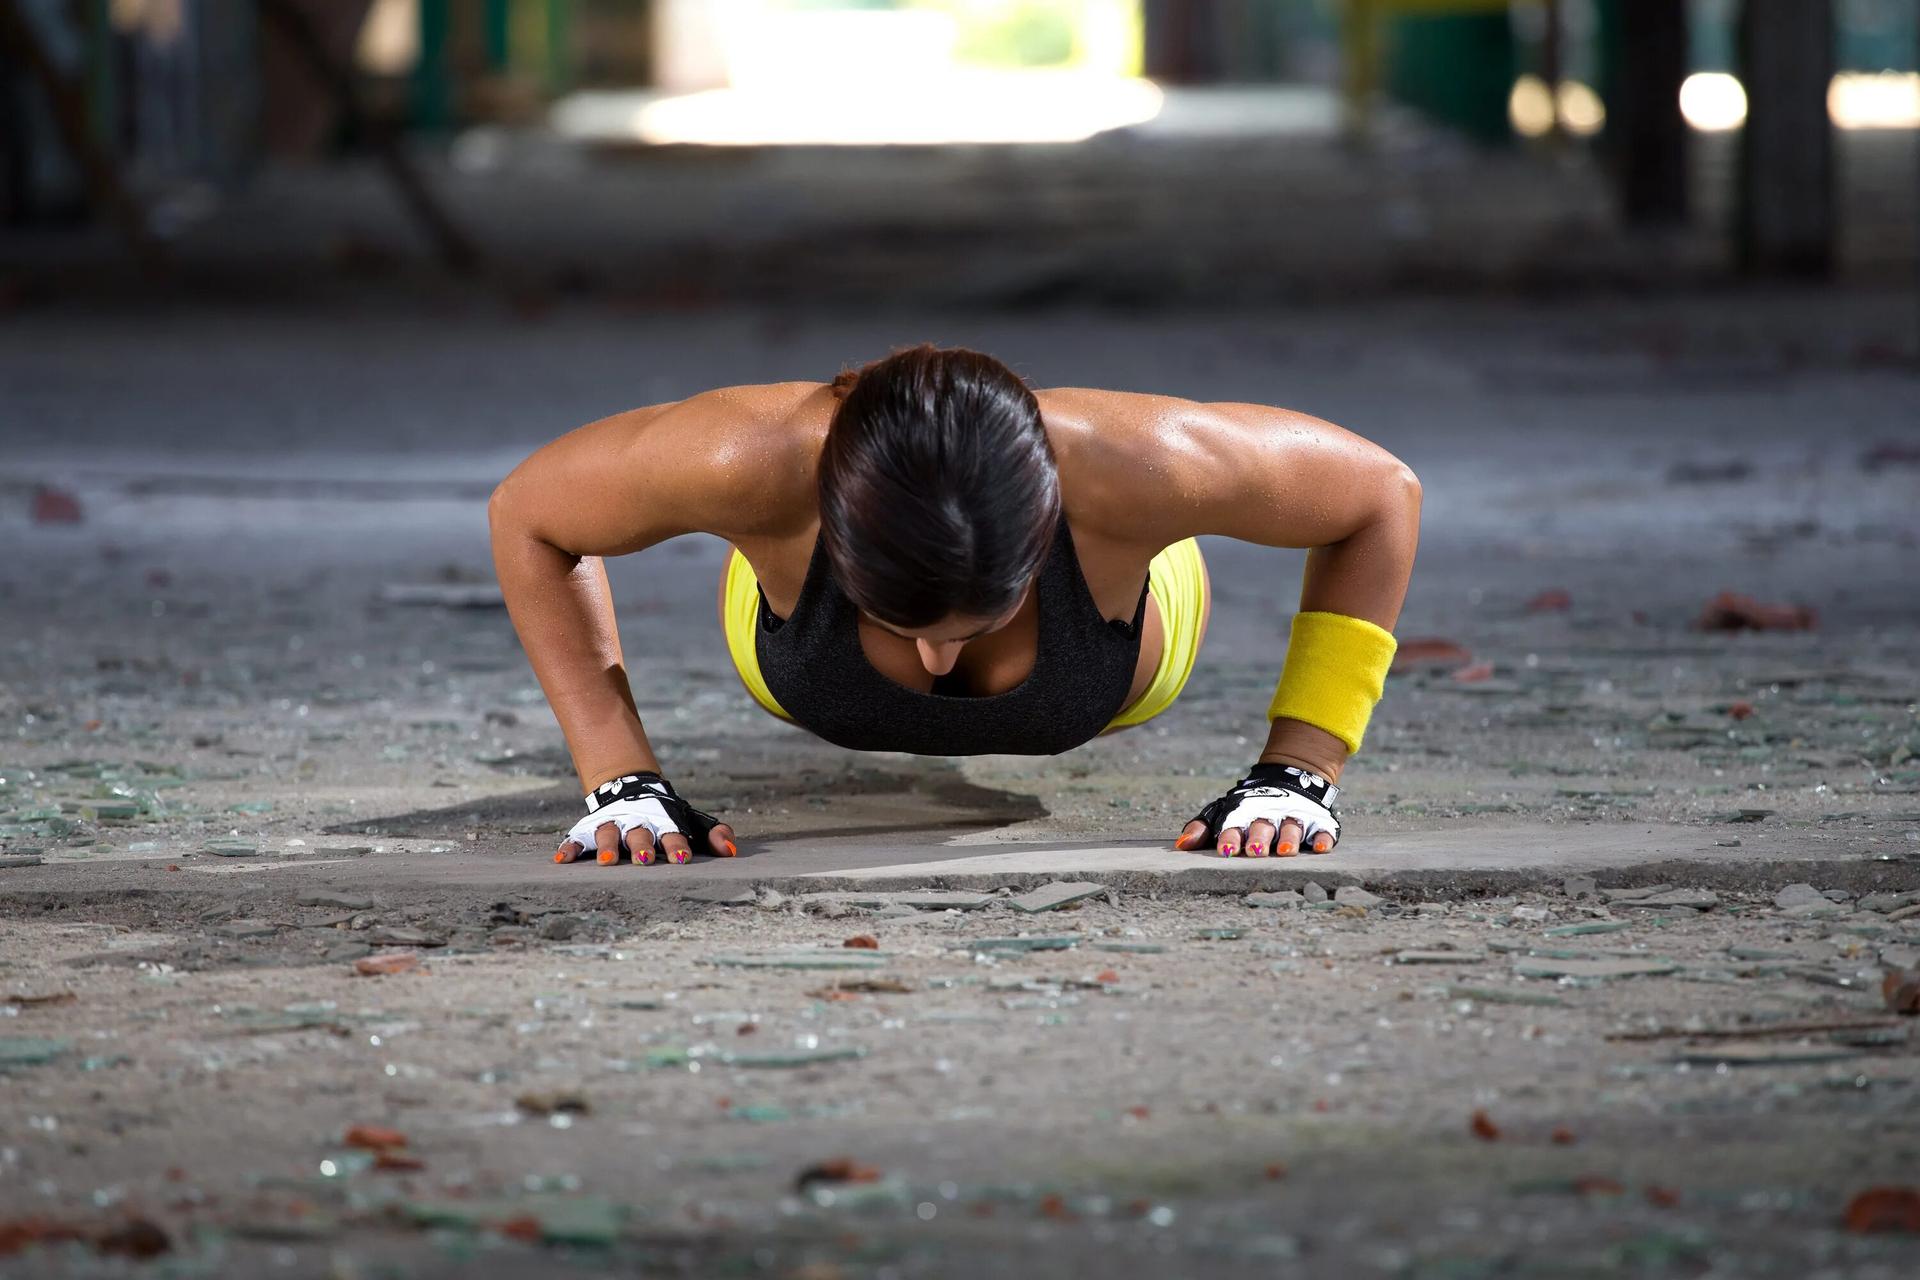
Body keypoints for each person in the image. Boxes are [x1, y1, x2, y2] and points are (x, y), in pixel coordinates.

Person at [488, 344, 1419, 867]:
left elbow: (1381, 494)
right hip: (799, 559)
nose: (939, 660)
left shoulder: (1139, 465)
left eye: (978, 623)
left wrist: (1300, 769)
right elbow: (529, 513)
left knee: (1139, 509)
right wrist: (621, 780)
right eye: (903, 625)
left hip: (1112, 581)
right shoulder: (750, 460)